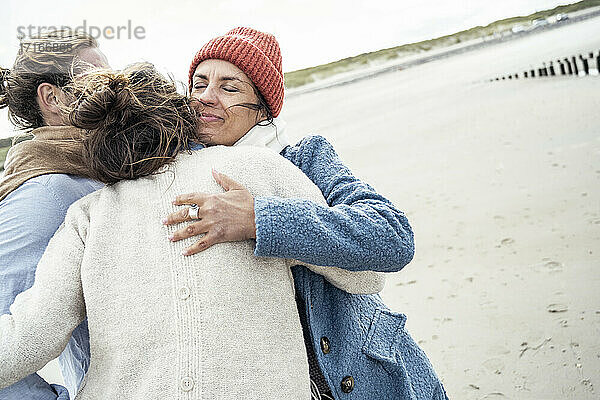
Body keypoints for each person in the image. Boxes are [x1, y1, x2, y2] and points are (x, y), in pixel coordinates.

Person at [0, 62, 384, 399]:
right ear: (179, 116)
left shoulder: (86, 216)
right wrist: (267, 222)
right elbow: (366, 275)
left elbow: (28, 337)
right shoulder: (257, 169)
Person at [163, 27, 448, 399]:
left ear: (262, 108)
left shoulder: (304, 159)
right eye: (198, 85)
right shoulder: (174, 177)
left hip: (363, 375)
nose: (205, 98)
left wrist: (260, 219)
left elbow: (391, 236)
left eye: (229, 88)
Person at [0, 30, 109, 400]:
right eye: (98, 79)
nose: (115, 89)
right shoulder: (44, 194)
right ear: (53, 98)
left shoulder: (102, 167)